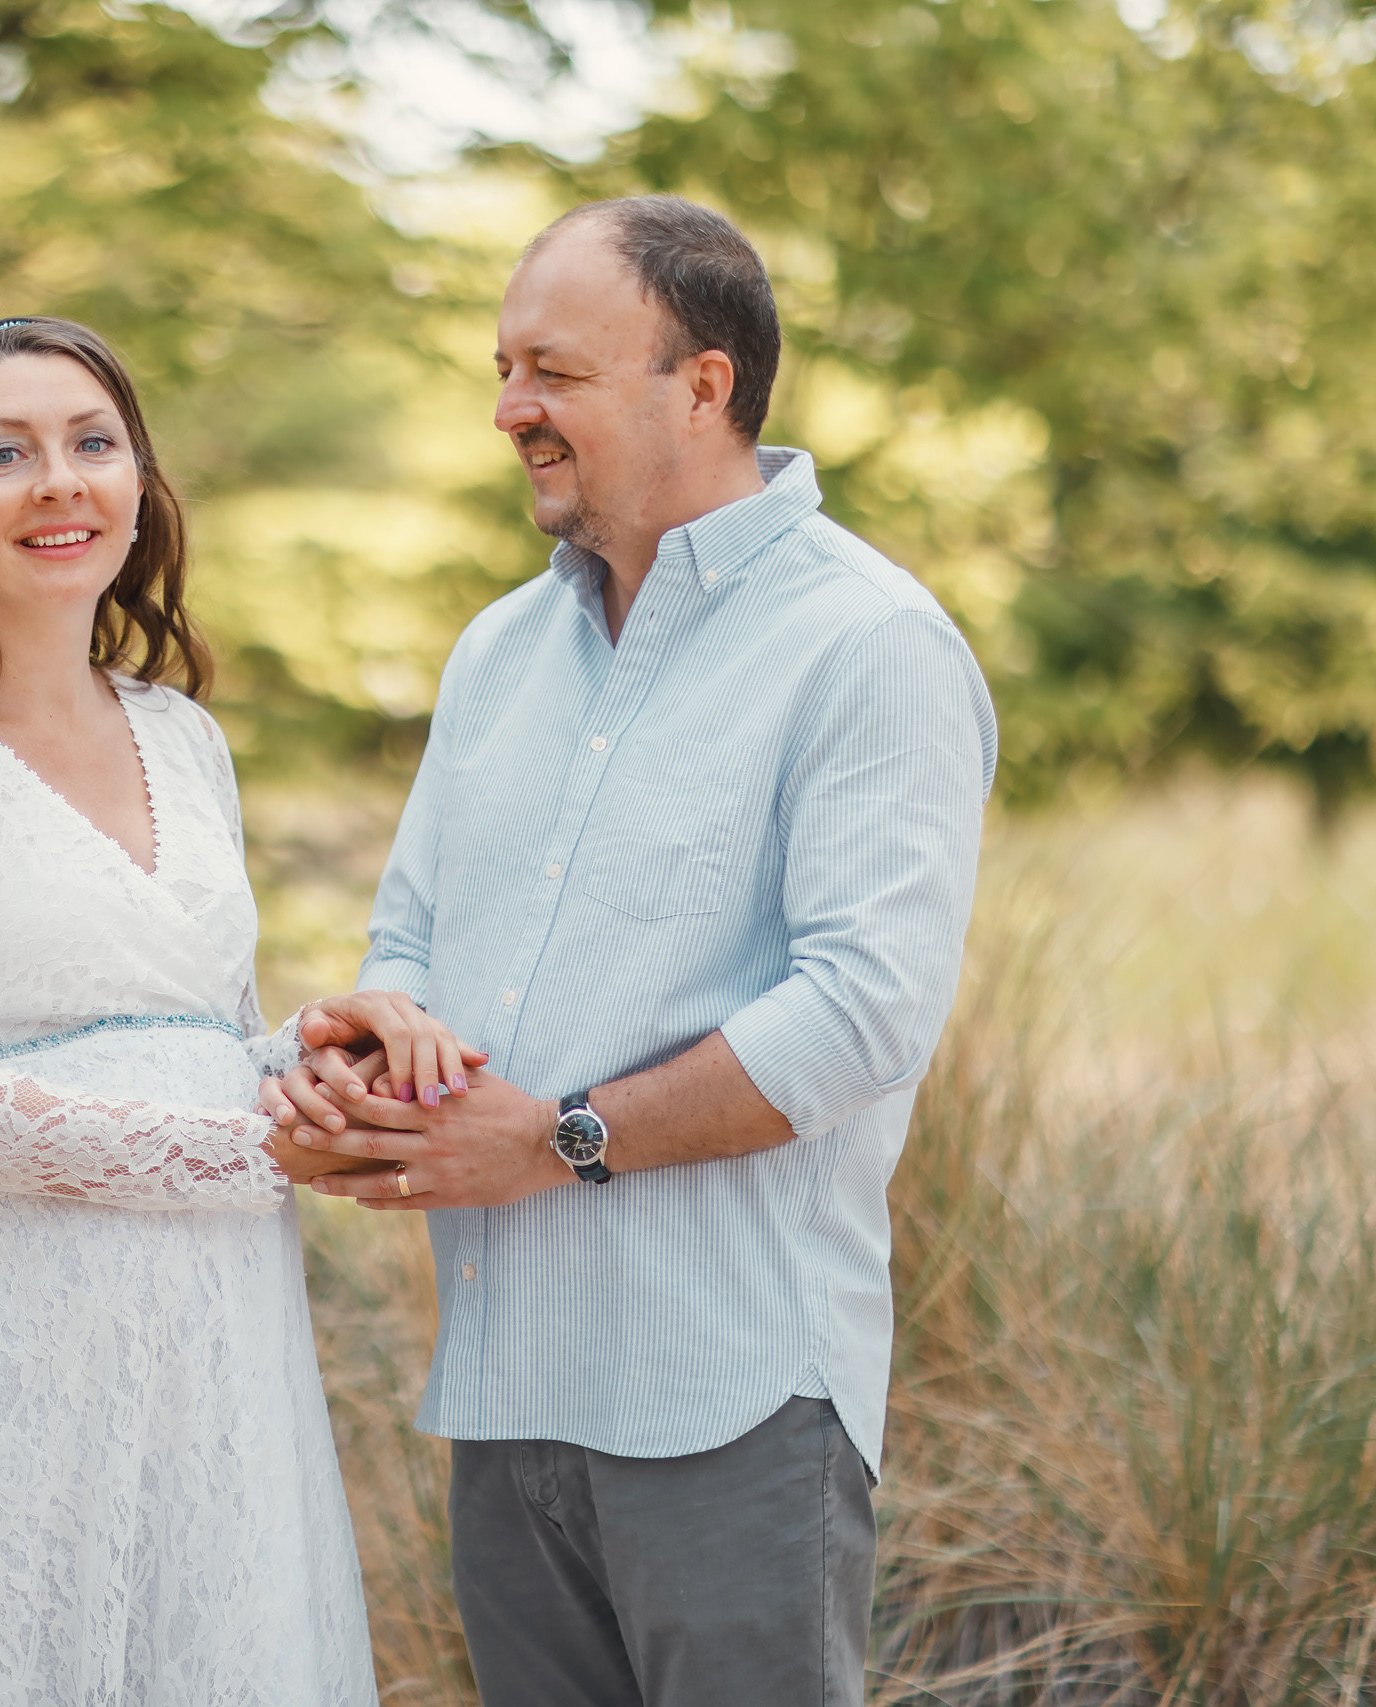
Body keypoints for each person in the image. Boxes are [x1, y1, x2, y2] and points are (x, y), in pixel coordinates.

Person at [265, 197, 999, 1705]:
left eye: (554, 370)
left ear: (704, 384)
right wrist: (369, 1063)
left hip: (728, 1401)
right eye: (503, 367)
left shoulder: (869, 643)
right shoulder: (494, 654)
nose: (508, 408)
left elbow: (862, 1015)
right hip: (504, 1391)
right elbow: (407, 936)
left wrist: (557, 1139)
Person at [0, 315, 478, 1704]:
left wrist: (319, 1049)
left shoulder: (181, 735)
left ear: (139, 487)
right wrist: (251, 1156)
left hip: (210, 1331)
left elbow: (203, 1038)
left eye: (94, 445)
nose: (60, 483)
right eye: (6, 454)